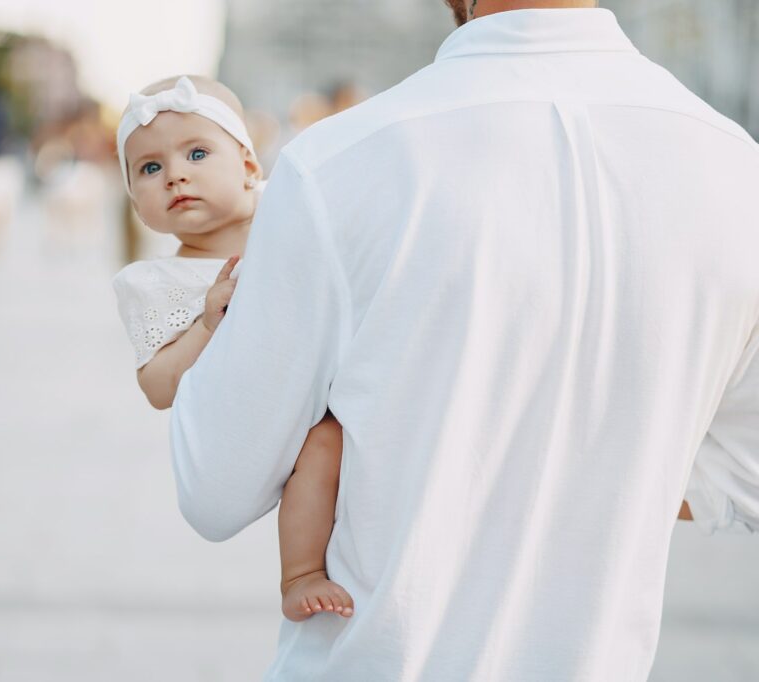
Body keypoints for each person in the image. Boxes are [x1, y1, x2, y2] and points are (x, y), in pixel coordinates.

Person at [169, 1, 759, 680]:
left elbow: (214, 485)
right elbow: (746, 470)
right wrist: (598, 474)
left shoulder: (337, 164)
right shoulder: (738, 170)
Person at [111, 75, 355, 622]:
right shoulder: (158, 282)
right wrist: (205, 324)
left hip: (324, 392)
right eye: (150, 168)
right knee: (314, 449)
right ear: (135, 201)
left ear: (249, 165)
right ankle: (300, 574)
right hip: (247, 418)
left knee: (328, 444)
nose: (175, 174)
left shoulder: (290, 210)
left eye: (197, 153)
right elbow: (155, 386)